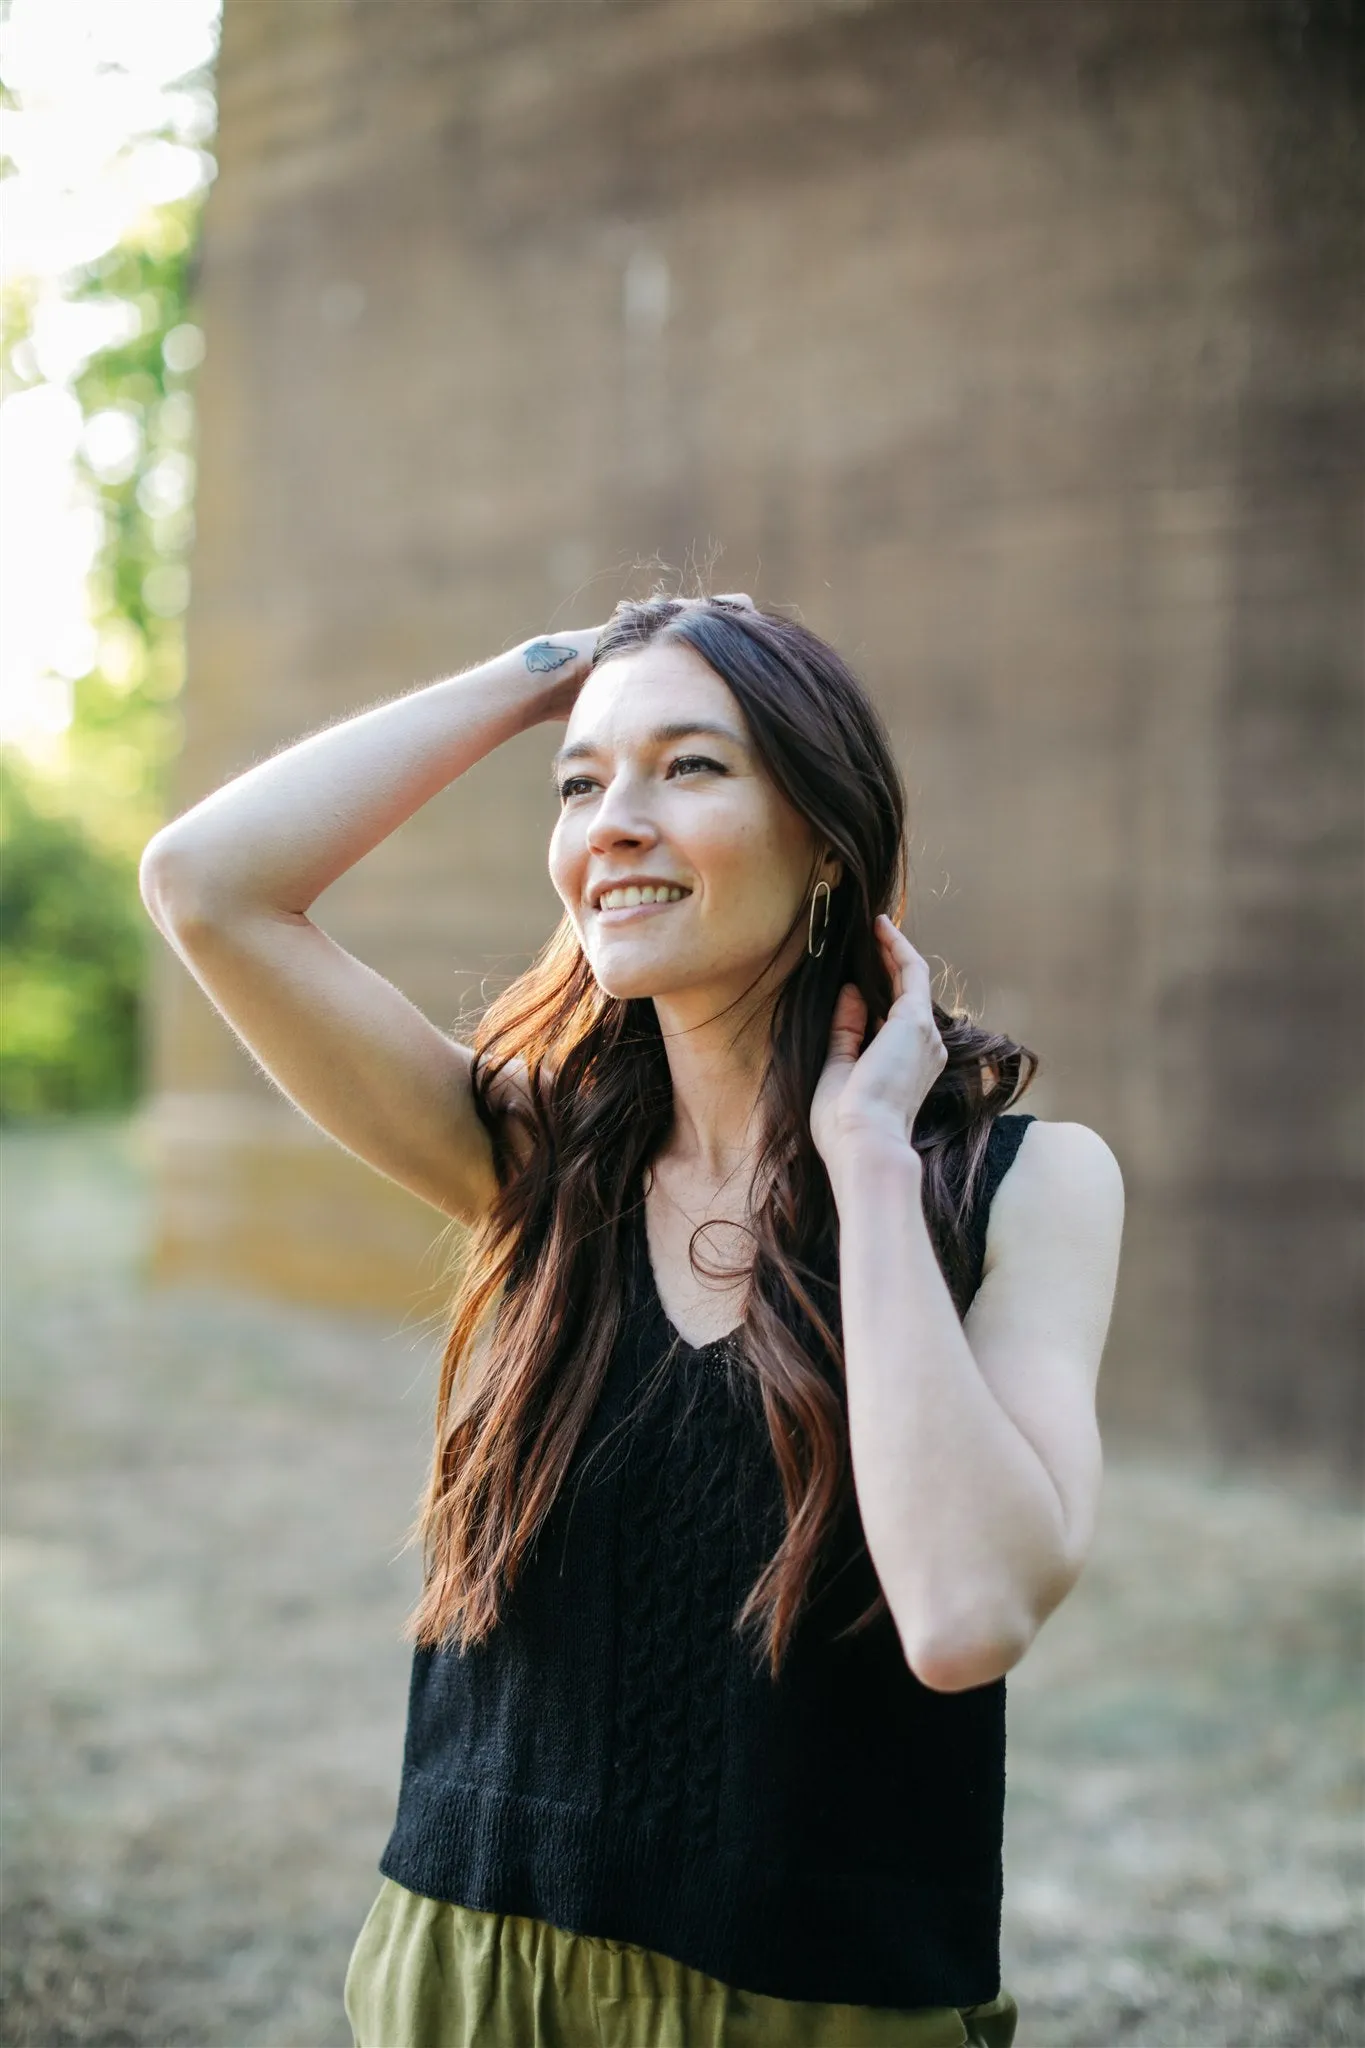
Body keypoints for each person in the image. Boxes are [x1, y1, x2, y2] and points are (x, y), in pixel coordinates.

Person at [140, 592, 1125, 2046]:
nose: (614, 821)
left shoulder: (1024, 1188)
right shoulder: (542, 1165)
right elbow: (204, 881)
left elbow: (967, 1617)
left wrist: (864, 1165)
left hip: (821, 2000)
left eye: (693, 767)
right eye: (583, 783)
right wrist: (547, 673)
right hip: (475, 1966)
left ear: (827, 849)